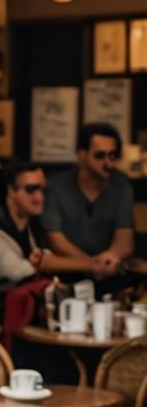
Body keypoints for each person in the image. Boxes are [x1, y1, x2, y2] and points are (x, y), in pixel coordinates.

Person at [0, 160, 95, 319]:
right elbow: (15, 271)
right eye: (31, 189)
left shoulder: (35, 226)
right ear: (11, 190)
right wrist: (38, 264)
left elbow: (45, 260)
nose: (39, 197)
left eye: (42, 189)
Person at [42, 122, 135, 286]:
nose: (108, 163)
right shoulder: (56, 187)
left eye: (112, 156)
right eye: (99, 156)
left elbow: (125, 238)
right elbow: (55, 239)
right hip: (67, 277)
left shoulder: (121, 187)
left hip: (109, 275)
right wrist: (90, 264)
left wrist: (111, 256)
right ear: (81, 155)